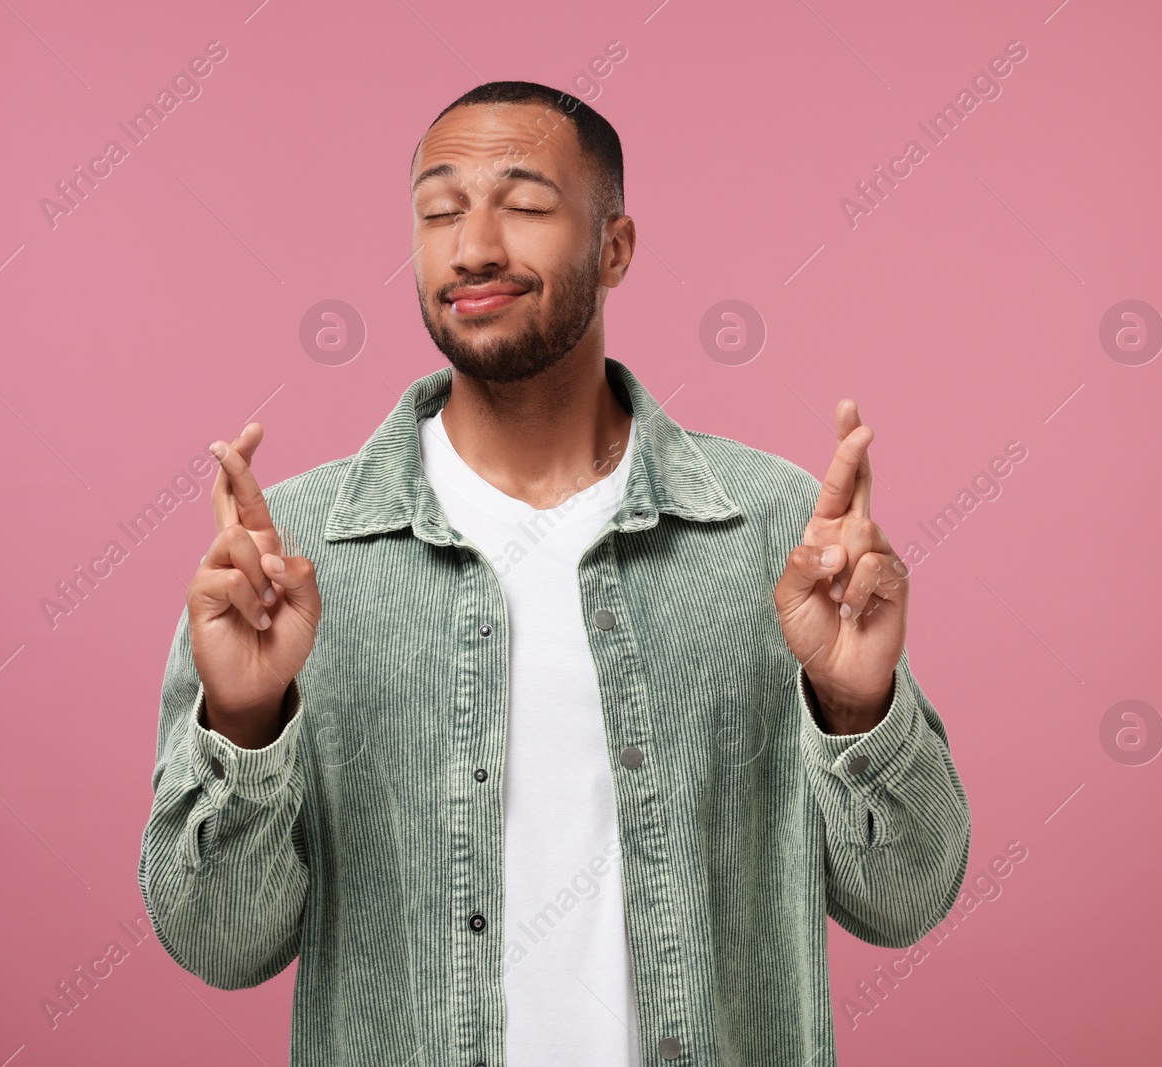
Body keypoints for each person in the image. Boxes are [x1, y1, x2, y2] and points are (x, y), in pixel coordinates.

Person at [139, 80, 971, 1066]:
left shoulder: (775, 532)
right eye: (438, 209)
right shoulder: (294, 554)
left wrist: (853, 698)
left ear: (613, 247)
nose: (473, 244)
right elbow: (220, 944)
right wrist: (241, 723)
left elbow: (904, 901)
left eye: (525, 204)